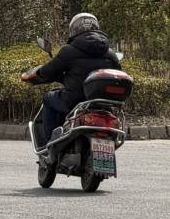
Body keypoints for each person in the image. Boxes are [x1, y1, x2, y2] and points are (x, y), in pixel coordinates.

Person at [22, 13, 119, 148]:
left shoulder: (69, 50)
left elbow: (49, 71)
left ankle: (50, 143)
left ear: (74, 29)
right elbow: (117, 76)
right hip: (103, 105)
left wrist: (32, 75)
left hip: (73, 101)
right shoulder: (111, 54)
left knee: (48, 98)